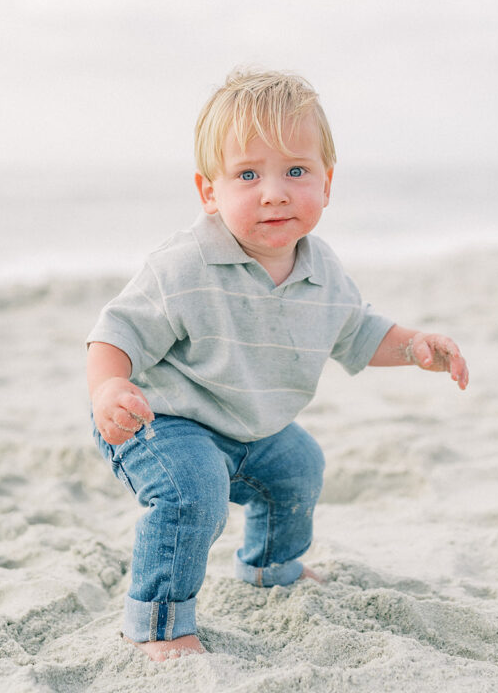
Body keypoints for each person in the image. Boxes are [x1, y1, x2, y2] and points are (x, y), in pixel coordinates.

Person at [87, 68, 469, 662]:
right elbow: (115, 332)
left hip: (249, 425)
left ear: (327, 181)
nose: (275, 192)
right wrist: (109, 388)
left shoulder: (321, 269)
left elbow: (358, 332)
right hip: (158, 419)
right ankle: (158, 625)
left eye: (296, 171)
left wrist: (414, 346)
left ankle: (271, 569)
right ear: (209, 191)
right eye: (248, 175)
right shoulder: (185, 265)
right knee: (194, 490)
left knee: (298, 465)